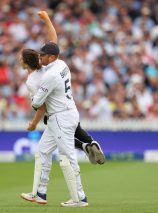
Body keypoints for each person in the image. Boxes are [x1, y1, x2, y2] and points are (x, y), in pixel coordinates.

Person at [21, 11, 103, 207]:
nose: (40, 57)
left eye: (43, 55)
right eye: (39, 55)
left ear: (51, 56)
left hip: (59, 117)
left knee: (66, 158)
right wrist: (47, 19)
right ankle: (39, 193)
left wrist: (33, 116)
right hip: (69, 112)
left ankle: (79, 198)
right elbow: (53, 41)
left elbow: (37, 103)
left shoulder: (48, 76)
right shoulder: (61, 64)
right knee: (42, 152)